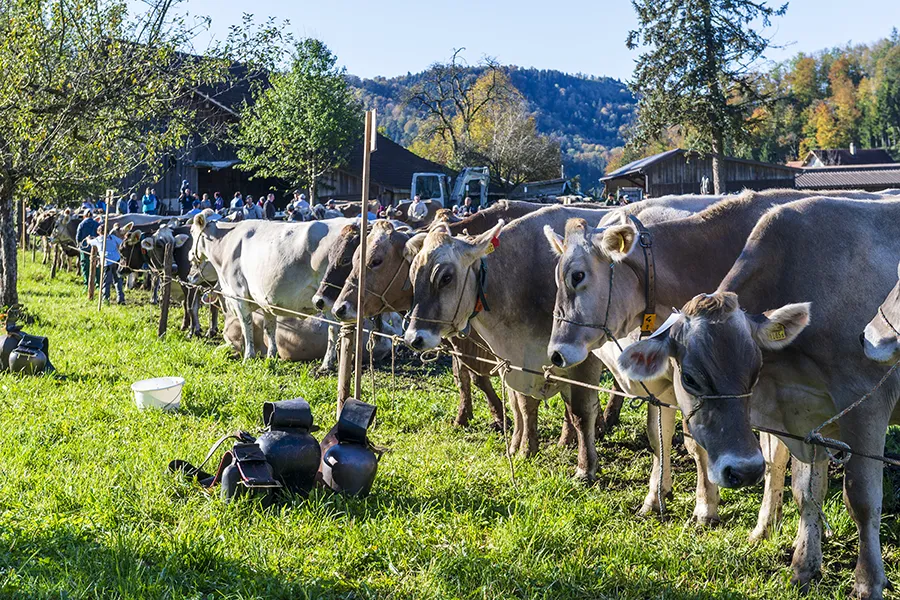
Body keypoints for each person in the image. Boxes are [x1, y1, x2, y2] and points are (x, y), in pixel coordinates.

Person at [86, 224, 125, 304]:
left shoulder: (97, 239)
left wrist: (88, 238)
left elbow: (89, 242)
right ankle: (121, 299)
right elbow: (121, 242)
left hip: (106, 262)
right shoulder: (112, 237)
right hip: (116, 260)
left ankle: (105, 299)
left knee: (106, 282)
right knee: (118, 280)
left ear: (98, 232)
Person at [75, 210, 99, 288]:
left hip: (84, 249)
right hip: (96, 249)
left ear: (84, 216)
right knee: (97, 267)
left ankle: (87, 285)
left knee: (85, 267)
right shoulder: (97, 224)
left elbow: (78, 238)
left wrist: (79, 245)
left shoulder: (81, 224)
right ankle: (98, 284)